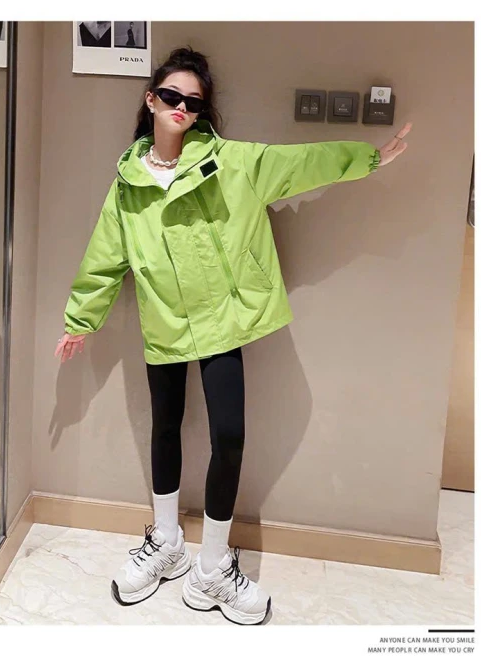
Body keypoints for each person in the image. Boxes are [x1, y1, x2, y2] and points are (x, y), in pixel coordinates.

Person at [54, 45, 412, 625]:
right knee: (164, 428)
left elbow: (301, 163)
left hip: (223, 319)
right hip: (164, 320)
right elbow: (104, 258)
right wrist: (80, 320)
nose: (181, 107)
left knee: (230, 436)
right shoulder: (127, 184)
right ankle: (166, 542)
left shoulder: (233, 162)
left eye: (193, 101)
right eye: (170, 95)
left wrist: (367, 158)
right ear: (150, 100)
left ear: (201, 111)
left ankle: (213, 566)